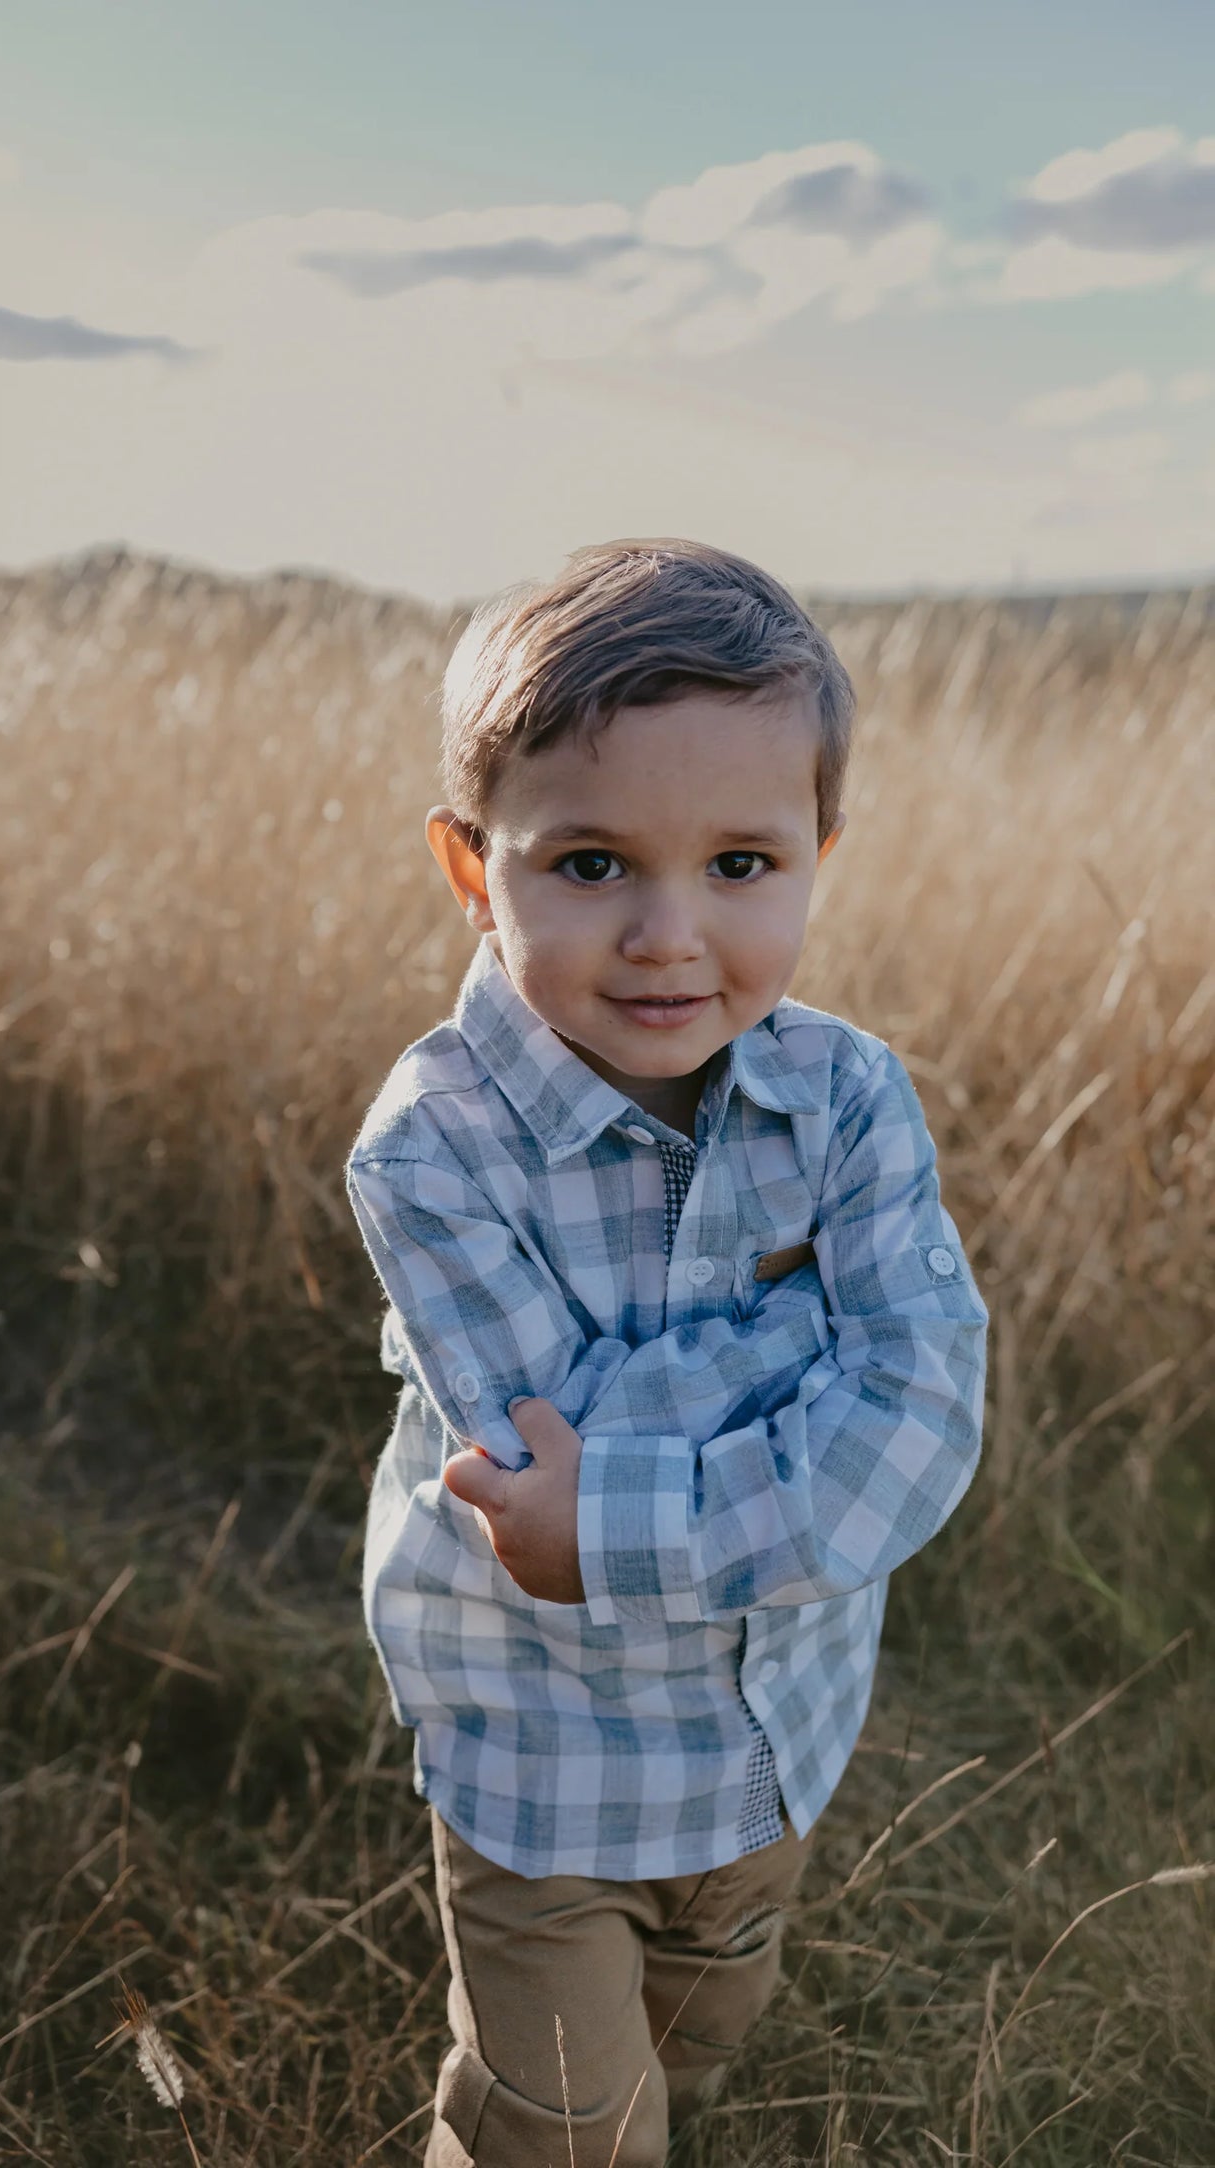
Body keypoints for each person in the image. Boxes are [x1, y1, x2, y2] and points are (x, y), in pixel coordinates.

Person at [344, 538, 988, 2167]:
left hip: (775, 1733)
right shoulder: (431, 1150)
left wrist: (620, 1497)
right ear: (471, 867)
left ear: (815, 858)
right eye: (590, 863)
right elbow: (533, 1480)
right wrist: (804, 1359)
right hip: (541, 1749)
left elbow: (921, 1414)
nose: (666, 933)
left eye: (739, 865)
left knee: (697, 2038)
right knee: (565, 2134)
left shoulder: (844, 1097)